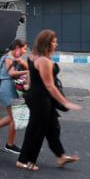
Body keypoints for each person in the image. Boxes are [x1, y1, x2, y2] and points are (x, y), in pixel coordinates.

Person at [16, 29, 81, 171]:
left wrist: (28, 90)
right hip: (42, 99)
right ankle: (24, 160)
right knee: (36, 130)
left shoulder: (33, 56)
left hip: (37, 96)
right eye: (53, 41)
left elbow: (31, 76)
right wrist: (65, 102)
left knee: (53, 127)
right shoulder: (44, 60)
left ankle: (61, 156)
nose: (56, 43)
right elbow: (50, 86)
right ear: (46, 43)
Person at [0, 39, 29, 154]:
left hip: (14, 89)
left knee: (15, 116)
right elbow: (12, 73)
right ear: (17, 48)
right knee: (15, 117)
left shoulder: (14, 57)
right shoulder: (9, 58)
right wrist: (27, 72)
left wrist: (24, 64)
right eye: (24, 48)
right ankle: (9, 144)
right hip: (7, 88)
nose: (25, 51)